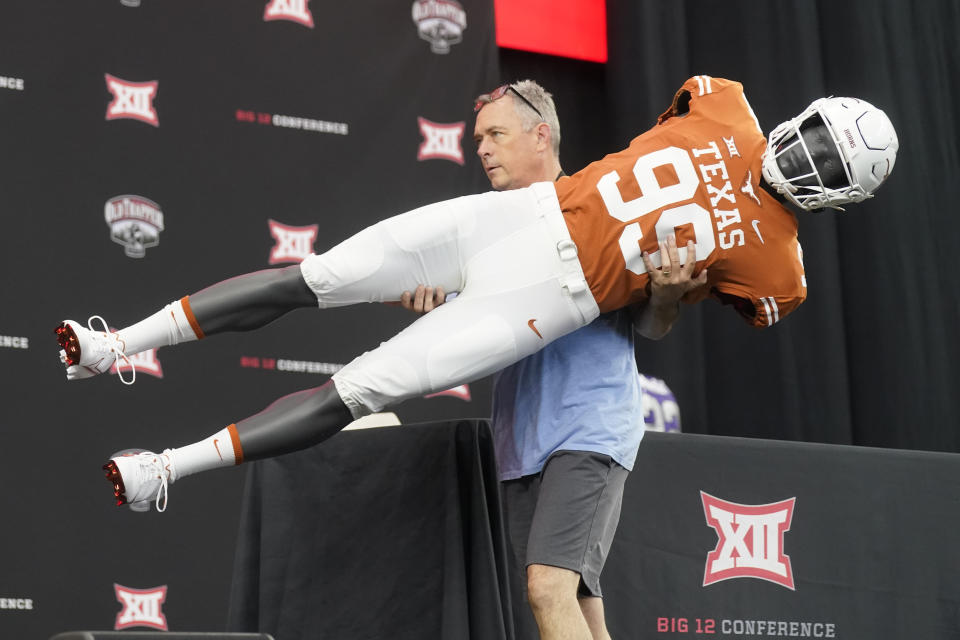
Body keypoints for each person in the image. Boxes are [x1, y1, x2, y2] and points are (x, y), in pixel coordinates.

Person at [56, 73, 896, 565]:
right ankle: (116, 344)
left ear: (844, 195)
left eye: (830, 164)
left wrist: (669, 292)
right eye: (820, 138)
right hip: (522, 219)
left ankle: (165, 468)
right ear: (808, 113)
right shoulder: (726, 106)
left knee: (357, 388)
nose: (809, 156)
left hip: (549, 303)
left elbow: (658, 324)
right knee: (314, 275)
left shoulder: (777, 264)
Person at [396, 80, 695, 640]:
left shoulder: (599, 209)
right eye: (477, 138)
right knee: (579, 604)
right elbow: (472, 327)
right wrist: (430, 304)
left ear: (541, 135)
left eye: (495, 134)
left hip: (589, 431)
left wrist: (667, 294)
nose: (480, 148)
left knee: (548, 588)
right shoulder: (489, 232)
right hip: (521, 446)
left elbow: (651, 326)